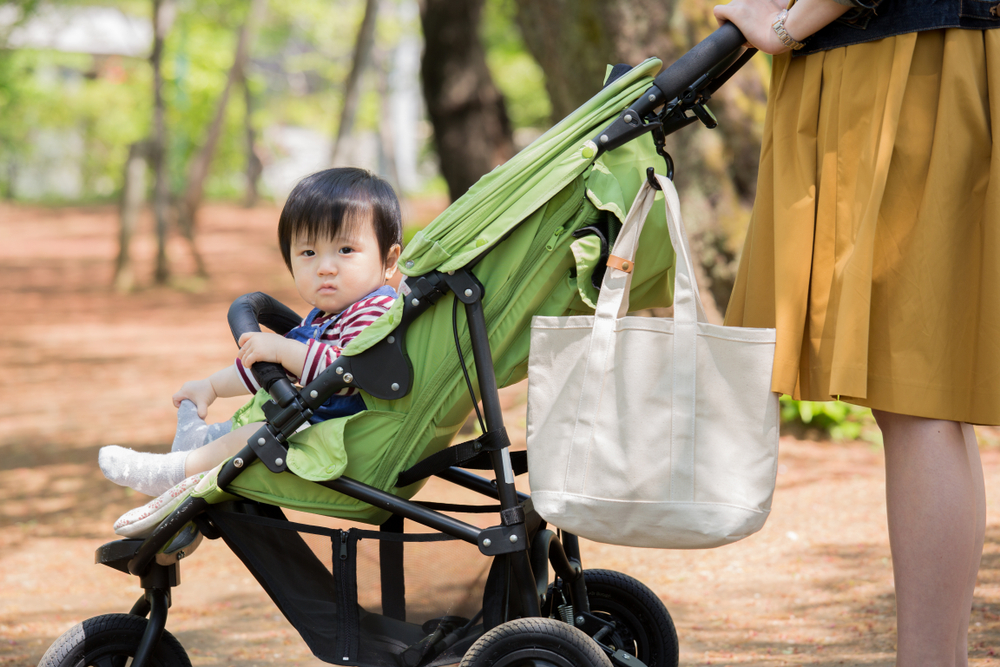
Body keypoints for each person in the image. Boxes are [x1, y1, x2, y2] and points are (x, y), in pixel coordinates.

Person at [713, 0, 994, 664]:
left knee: (917, 393)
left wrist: (787, 24)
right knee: (930, 398)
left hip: (910, 63)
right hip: (925, 52)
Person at [99, 167, 402, 498]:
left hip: (345, 446)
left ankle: (173, 474)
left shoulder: (377, 311)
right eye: (308, 253)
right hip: (312, 430)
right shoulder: (325, 316)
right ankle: (197, 451)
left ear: (389, 261)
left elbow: (350, 372)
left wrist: (282, 350)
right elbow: (269, 370)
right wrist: (211, 386)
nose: (324, 267)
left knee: (257, 435)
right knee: (250, 425)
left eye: (345, 250)